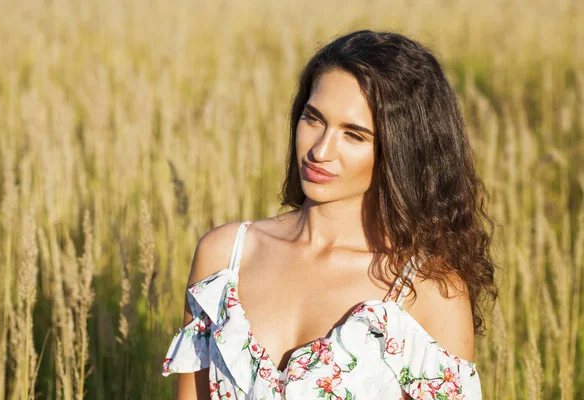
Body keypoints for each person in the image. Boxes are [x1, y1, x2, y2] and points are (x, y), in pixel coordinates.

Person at [162, 29, 498, 399]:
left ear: (401, 152)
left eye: (353, 135)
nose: (320, 151)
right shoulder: (225, 258)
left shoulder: (429, 292)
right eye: (314, 118)